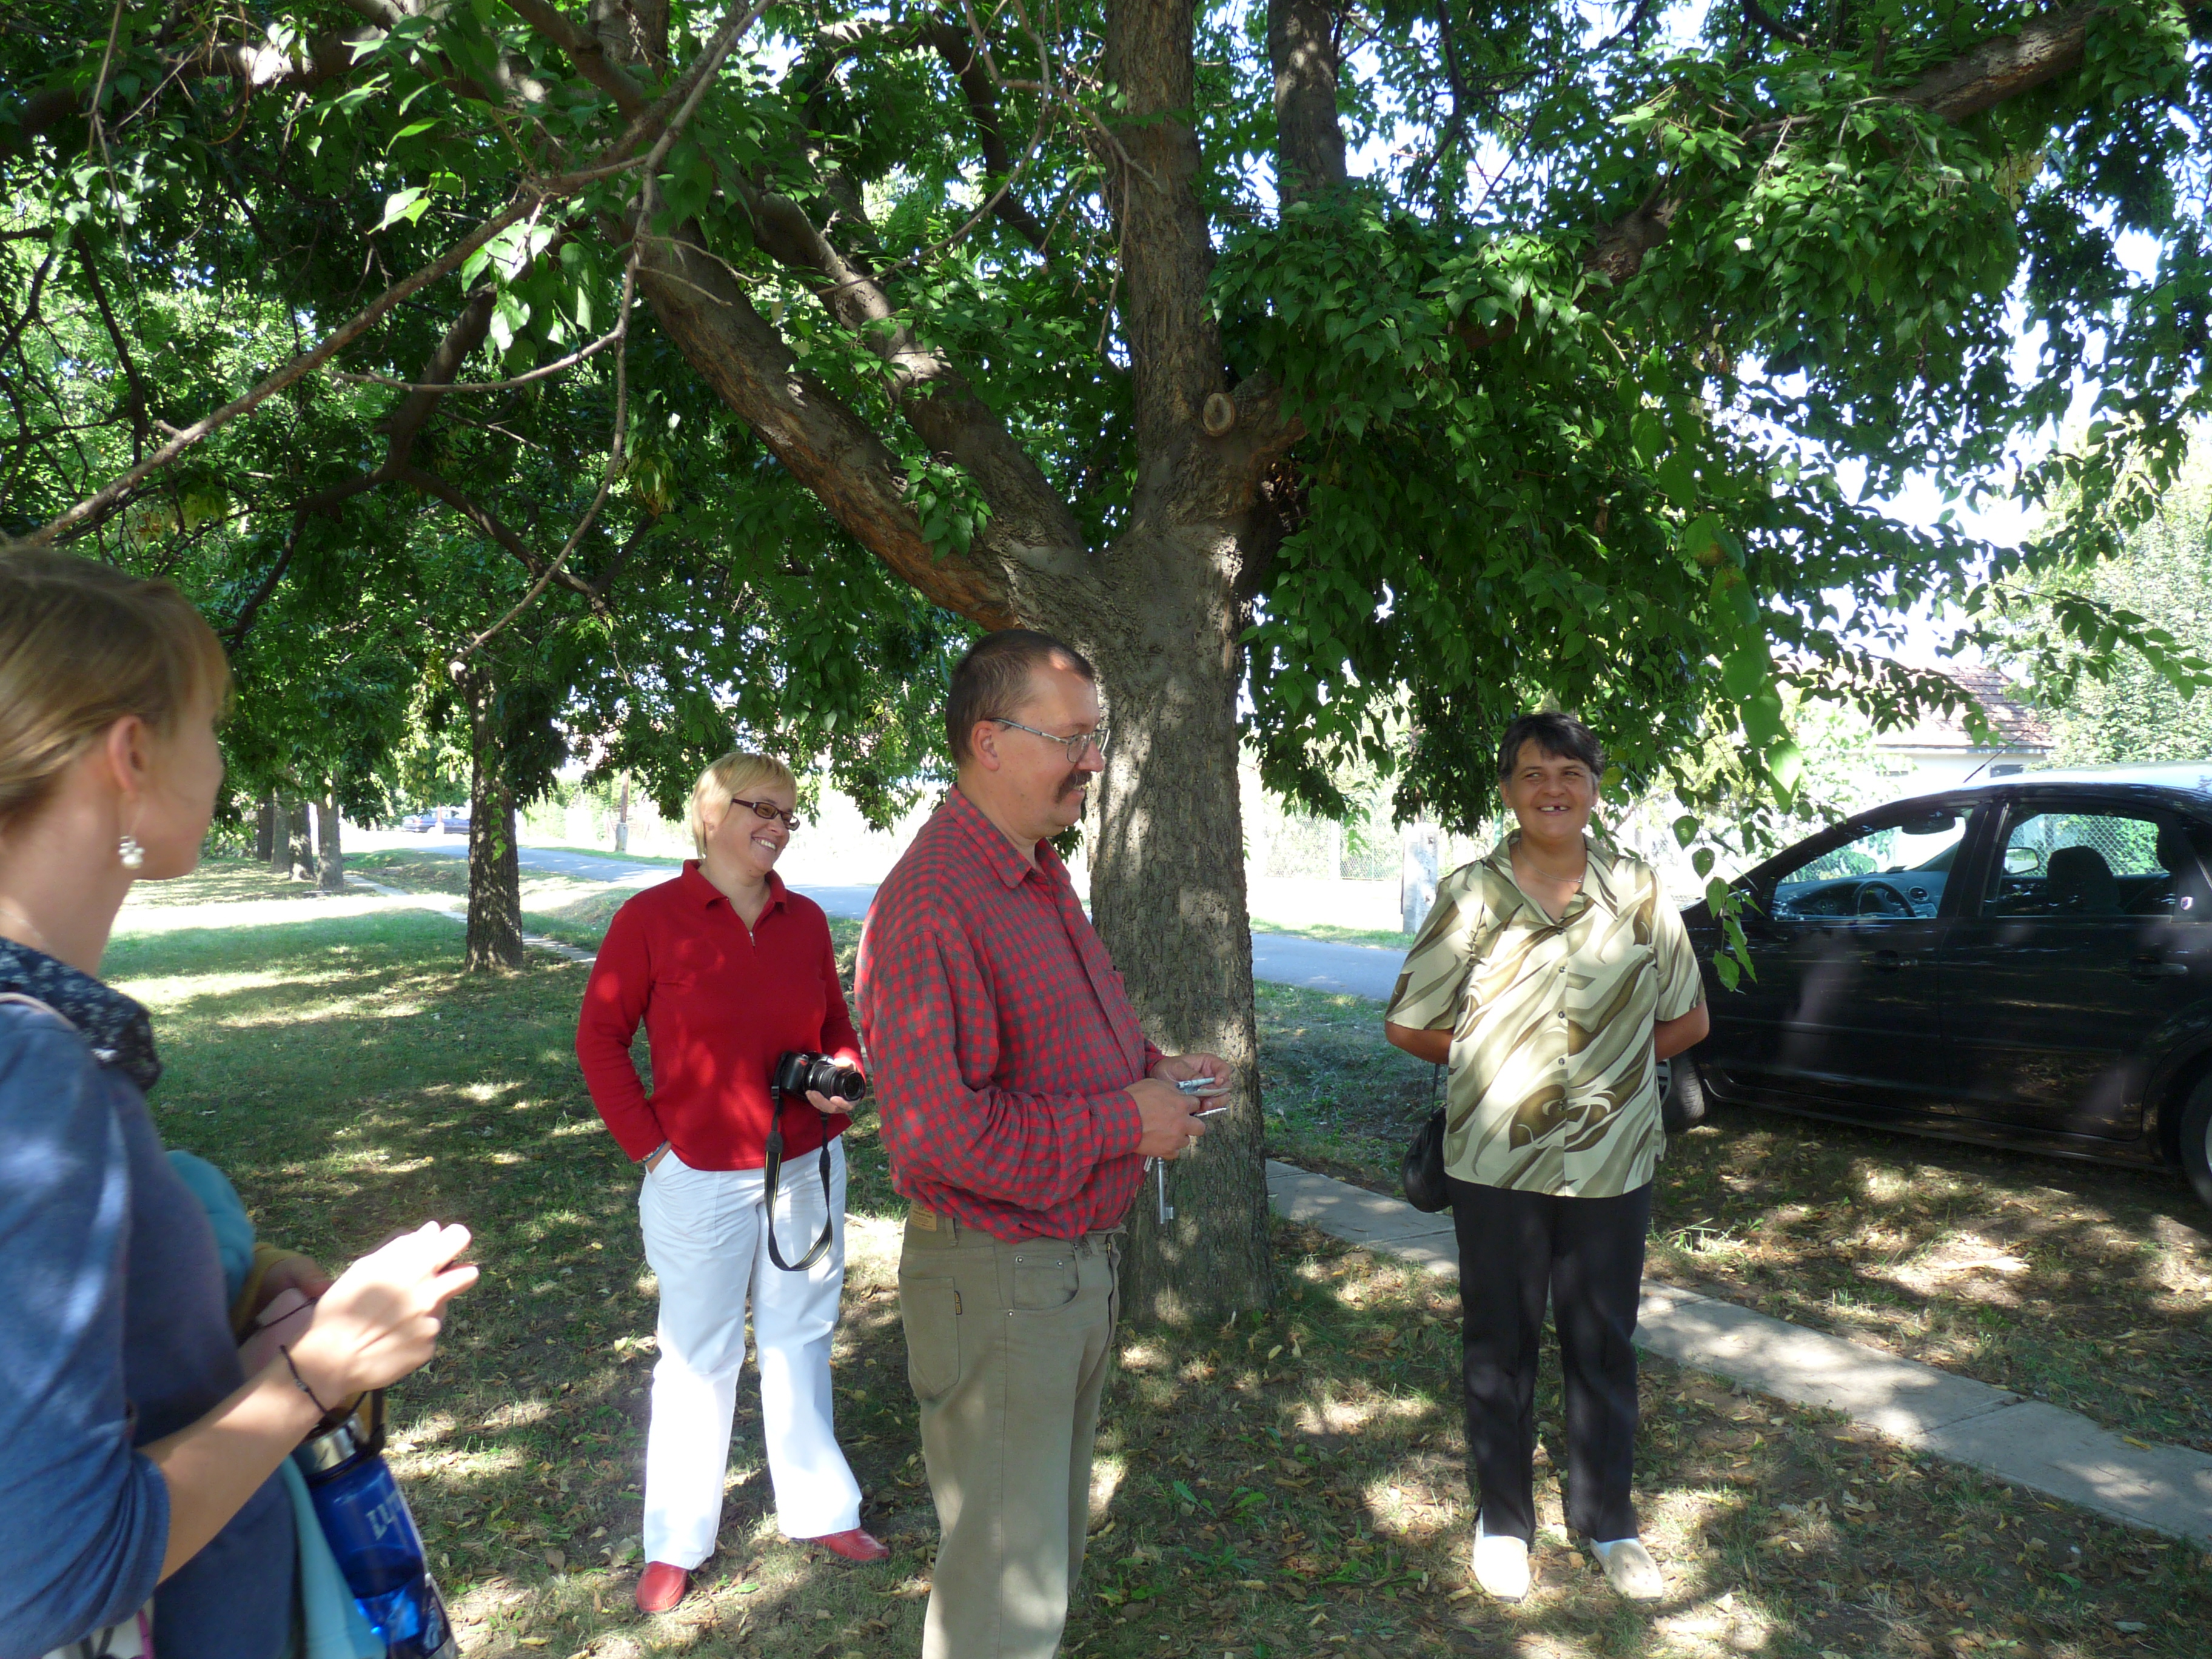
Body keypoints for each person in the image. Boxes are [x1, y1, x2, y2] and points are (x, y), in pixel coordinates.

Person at [0, 550, 477, 1659]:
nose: (221, 761)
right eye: (210, 725)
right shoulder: (33, 1073)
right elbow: (53, 1574)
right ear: (131, 756)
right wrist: (324, 1370)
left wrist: (219, 1298)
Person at [856, 629, 1219, 1659]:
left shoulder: (1034, 870)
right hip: (1000, 1280)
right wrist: (1128, 1120)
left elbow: (1062, 1043)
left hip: (1057, 1277)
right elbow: (940, 1139)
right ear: (990, 742)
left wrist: (1155, 1072)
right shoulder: (933, 900)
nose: (1094, 760)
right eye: (1072, 739)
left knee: (1037, 1568)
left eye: (1095, 737)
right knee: (1003, 1598)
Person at [1383, 711, 1709, 1605]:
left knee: (1604, 1342)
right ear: (1507, 790)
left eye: (1570, 773)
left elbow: (1689, 1019)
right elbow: (1410, 1023)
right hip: (1495, 1161)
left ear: (1595, 788)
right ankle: (1502, 1523)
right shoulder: (1471, 895)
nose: (1552, 789)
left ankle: (1609, 1523)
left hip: (1613, 1159)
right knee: (1500, 1342)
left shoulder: (1638, 890)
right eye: (1533, 773)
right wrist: (1500, 1064)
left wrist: (1608, 1073)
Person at [575, 751, 885, 1615]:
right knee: (697, 1358)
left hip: (806, 1166)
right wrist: (653, 1151)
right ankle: (676, 1544)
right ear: (712, 813)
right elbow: (599, 1040)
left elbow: (836, 1025)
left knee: (801, 1338)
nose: (779, 827)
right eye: (763, 809)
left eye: (790, 814)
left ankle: (822, 1510)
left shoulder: (806, 920)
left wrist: (843, 1076)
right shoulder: (650, 918)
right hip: (697, 1177)